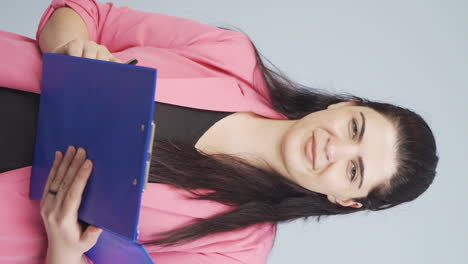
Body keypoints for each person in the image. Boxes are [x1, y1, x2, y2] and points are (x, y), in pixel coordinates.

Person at [0, 0, 439, 263]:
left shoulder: (235, 252)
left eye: (354, 170)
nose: (333, 148)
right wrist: (72, 51)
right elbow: (84, 12)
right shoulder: (230, 55)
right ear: (346, 105)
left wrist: (63, 244)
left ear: (346, 199)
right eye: (355, 128)